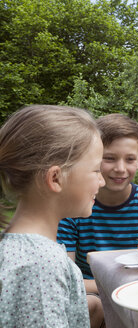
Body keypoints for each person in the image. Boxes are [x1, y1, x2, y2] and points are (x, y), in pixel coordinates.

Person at [57, 113, 138, 326]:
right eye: (109, 158)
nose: (120, 168)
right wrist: (111, 285)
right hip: (96, 298)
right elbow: (67, 279)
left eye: (130, 159)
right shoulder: (73, 208)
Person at [0, 105, 104, 327]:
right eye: (96, 171)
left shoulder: (21, 248)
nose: (101, 181)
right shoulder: (40, 265)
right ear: (55, 178)